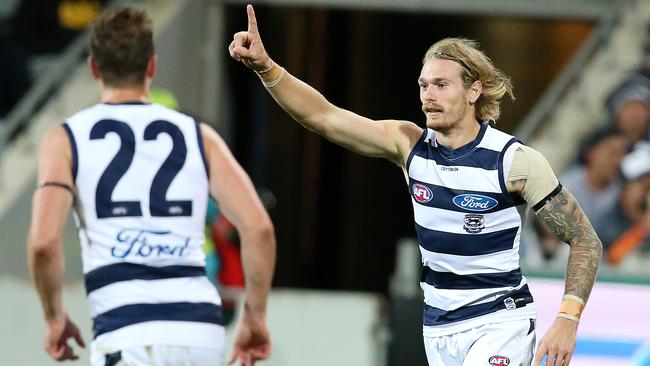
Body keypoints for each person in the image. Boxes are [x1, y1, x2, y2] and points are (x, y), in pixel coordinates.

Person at [229, 5, 602, 366]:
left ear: (474, 91)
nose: (428, 95)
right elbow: (324, 116)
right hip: (438, 327)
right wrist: (266, 67)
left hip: (499, 322)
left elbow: (584, 238)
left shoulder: (514, 160)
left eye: (441, 85)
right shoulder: (408, 145)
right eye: (424, 85)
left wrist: (568, 319)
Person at [27, 7, 275, 366]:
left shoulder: (65, 140)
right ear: (152, 66)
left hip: (127, 331)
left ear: (94, 68)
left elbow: (43, 244)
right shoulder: (199, 136)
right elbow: (259, 228)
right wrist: (255, 317)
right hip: (199, 335)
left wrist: (54, 318)